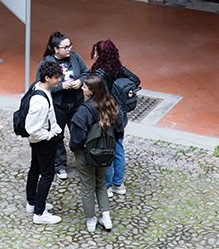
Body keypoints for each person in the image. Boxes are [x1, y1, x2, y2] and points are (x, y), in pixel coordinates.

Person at [68, 75, 124, 232]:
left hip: (86, 154)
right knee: (100, 184)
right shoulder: (112, 106)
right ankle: (106, 218)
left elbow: (76, 138)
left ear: (91, 91)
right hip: (105, 153)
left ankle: (91, 220)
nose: (82, 88)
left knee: (87, 187)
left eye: (85, 87)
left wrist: (75, 150)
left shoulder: (84, 111)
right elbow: (119, 130)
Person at [90, 39, 141, 198]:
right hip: (120, 115)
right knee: (118, 148)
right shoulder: (117, 68)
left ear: (100, 54)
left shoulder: (98, 73)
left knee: (106, 149)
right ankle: (119, 183)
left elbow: (95, 95)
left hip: (106, 115)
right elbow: (135, 80)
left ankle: (107, 186)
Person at [35, 31, 89, 181]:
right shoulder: (46, 63)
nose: (69, 49)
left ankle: (82, 163)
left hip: (76, 103)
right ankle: (59, 165)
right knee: (57, 136)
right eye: (65, 47)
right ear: (55, 49)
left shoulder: (75, 58)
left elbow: (86, 72)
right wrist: (61, 86)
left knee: (79, 133)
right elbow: (40, 85)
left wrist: (81, 81)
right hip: (58, 106)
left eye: (70, 45)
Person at [24, 61, 64, 225]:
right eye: (56, 78)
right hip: (43, 141)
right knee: (47, 175)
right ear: (47, 78)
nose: (59, 81)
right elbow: (32, 128)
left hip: (40, 141)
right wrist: (49, 135)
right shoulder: (40, 101)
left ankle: (32, 203)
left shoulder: (39, 87)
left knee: (35, 169)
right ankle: (39, 213)